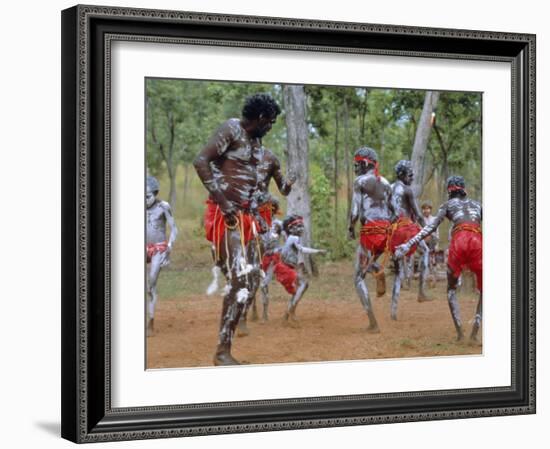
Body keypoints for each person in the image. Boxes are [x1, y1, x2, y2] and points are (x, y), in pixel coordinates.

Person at [193, 93, 281, 365]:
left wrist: (259, 213)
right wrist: (223, 200)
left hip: (247, 218)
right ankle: (222, 351)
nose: (271, 127)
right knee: (240, 279)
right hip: (225, 215)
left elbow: (254, 183)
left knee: (252, 280)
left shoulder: (256, 143)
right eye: (272, 122)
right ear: (262, 117)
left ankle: (226, 345)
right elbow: (201, 161)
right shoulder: (231, 128)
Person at [395, 176, 482, 341]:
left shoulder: (448, 205)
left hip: (459, 242)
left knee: (451, 290)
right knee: (485, 290)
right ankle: (475, 331)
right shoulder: (478, 205)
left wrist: (408, 244)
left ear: (449, 191)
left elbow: (430, 227)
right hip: (478, 240)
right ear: (464, 190)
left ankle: (460, 334)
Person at [348, 147, 395, 332]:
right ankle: (377, 270)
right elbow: (394, 212)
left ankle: (373, 323)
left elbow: (354, 211)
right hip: (386, 233)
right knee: (368, 265)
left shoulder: (360, 181)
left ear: (365, 163)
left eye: (357, 164)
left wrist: (351, 228)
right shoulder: (386, 183)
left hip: (370, 232)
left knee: (358, 277)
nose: (356, 168)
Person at [388, 160, 430, 320]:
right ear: (402, 175)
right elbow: (418, 214)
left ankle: (393, 310)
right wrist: (427, 229)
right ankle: (421, 291)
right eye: (409, 175)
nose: (412, 178)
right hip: (407, 229)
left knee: (398, 272)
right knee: (425, 250)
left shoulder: (389, 189)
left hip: (393, 232)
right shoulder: (407, 190)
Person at [146, 176, 178, 336]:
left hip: (159, 248)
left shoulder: (163, 206)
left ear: (155, 193)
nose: (144, 200)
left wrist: (169, 247)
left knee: (151, 282)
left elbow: (174, 228)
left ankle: (150, 321)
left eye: (147, 196)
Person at [279, 215, 327, 322]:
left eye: (301, 226)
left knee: (298, 289)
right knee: (304, 284)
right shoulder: (293, 238)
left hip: (286, 268)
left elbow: (297, 252)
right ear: (291, 228)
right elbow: (302, 250)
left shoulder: (291, 238)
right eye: (298, 226)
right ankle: (291, 310)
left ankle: (288, 313)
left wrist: (300, 265)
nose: (301, 228)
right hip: (285, 268)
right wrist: (318, 251)